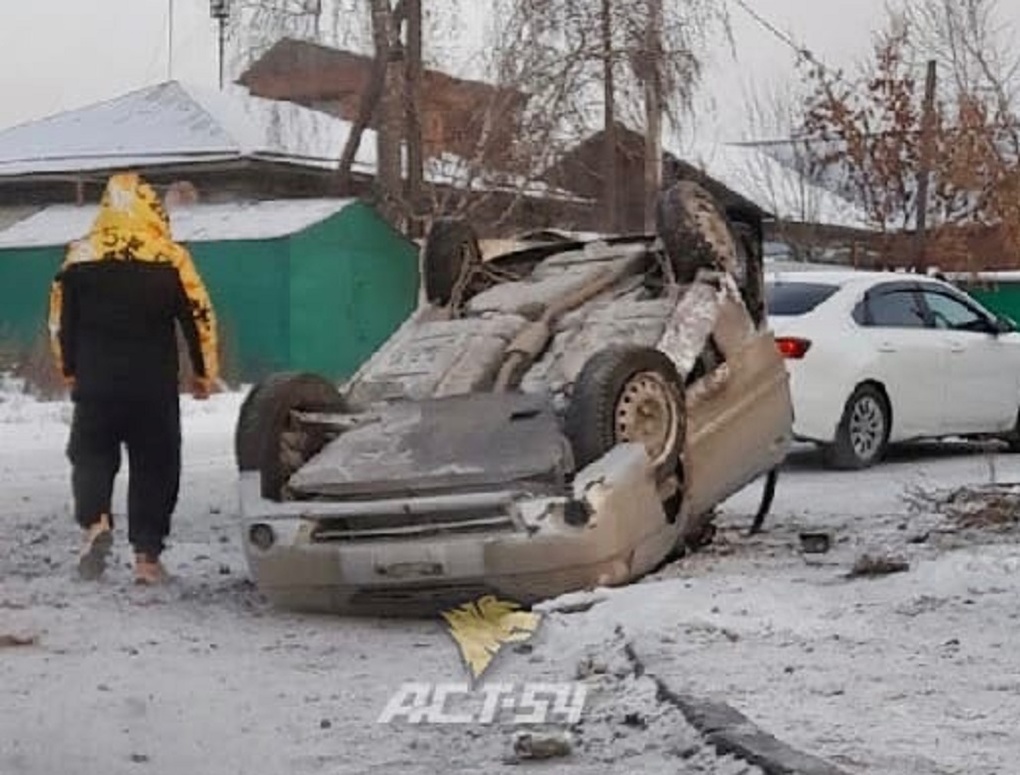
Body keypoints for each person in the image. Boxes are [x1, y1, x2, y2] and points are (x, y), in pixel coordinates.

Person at [48, 172, 220, 585]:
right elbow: (199, 318)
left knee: (91, 455)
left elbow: (59, 323)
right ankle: (146, 557)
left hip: (96, 385)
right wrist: (203, 374)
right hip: (152, 388)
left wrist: (69, 370)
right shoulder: (169, 257)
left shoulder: (78, 258)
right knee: (155, 465)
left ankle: (95, 523)